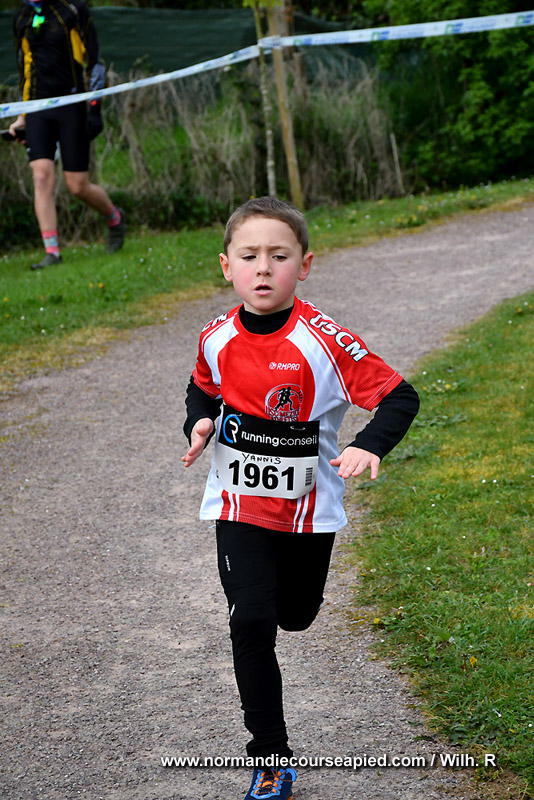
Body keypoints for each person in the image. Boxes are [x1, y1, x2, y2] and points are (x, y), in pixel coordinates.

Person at [182, 197, 419, 799]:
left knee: (295, 615)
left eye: (279, 256)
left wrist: (368, 446)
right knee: (251, 620)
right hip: (238, 504)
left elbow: (400, 396)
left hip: (310, 512)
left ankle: (290, 604)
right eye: (249, 256)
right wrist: (200, 422)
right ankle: (270, 757)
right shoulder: (216, 336)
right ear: (227, 267)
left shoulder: (325, 341)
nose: (263, 267)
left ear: (304, 265)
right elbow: (202, 386)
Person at [9, 0, 125, 270]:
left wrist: (94, 107)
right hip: (36, 107)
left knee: (77, 185)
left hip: (72, 105)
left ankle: (115, 218)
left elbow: (94, 62)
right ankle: (52, 252)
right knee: (41, 175)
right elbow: (24, 68)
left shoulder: (72, 10)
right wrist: (22, 116)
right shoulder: (22, 18)